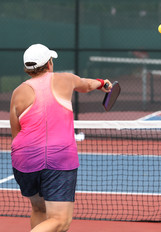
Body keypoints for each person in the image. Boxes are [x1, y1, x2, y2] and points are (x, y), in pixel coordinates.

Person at [9, 44, 112, 232]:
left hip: (23, 159)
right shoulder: (65, 79)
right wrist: (102, 82)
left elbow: (15, 131)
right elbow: (88, 84)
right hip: (58, 158)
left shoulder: (17, 92)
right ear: (49, 63)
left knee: (39, 209)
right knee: (60, 221)